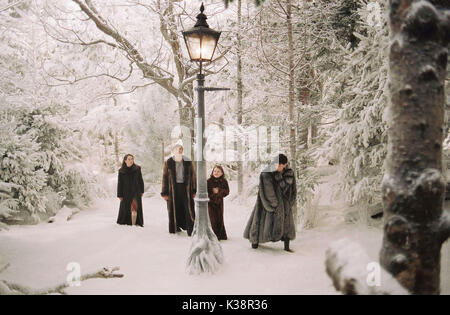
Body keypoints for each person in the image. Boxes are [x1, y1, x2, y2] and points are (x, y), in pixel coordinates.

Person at [243, 154, 297, 252]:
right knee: (261, 221)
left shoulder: (289, 173)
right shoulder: (266, 173)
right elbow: (268, 191)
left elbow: (293, 189)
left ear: (285, 165)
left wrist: (290, 202)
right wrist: (274, 205)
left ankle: (286, 245)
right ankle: (254, 242)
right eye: (277, 164)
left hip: (285, 205)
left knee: (286, 226)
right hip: (267, 204)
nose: (279, 166)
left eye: (281, 165)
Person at [161, 144, 196, 236]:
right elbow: (164, 177)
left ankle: (191, 230)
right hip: (173, 188)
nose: (179, 151)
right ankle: (175, 228)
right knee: (174, 208)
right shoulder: (168, 162)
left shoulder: (187, 161)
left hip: (186, 188)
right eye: (177, 149)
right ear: (173, 151)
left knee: (188, 209)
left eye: (181, 149)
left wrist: (194, 190)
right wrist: (164, 192)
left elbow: (193, 176)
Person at [117, 154, 144, 227]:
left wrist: (142, 191)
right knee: (126, 208)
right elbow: (120, 183)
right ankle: (127, 222)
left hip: (136, 191)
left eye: (132, 159)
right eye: (129, 159)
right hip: (125, 192)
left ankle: (135, 223)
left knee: (135, 207)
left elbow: (140, 180)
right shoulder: (121, 171)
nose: (131, 160)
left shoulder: (137, 168)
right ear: (125, 160)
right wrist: (119, 195)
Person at [207, 165, 230, 240]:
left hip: (220, 203)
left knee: (220, 219)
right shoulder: (208, 181)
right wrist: (213, 194)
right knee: (212, 219)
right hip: (210, 203)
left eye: (218, 171)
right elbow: (206, 192)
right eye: (214, 171)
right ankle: (214, 236)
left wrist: (219, 191)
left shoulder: (224, 181)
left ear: (222, 173)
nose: (216, 173)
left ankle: (221, 235)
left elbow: (227, 191)